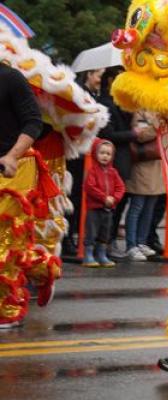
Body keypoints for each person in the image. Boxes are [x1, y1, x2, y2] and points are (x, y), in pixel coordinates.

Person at [0, 63, 50, 328]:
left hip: (13, 168)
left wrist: (12, 155)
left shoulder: (10, 78)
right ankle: (43, 271)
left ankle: (7, 310)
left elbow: (34, 121)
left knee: (5, 244)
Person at [97, 66, 142, 258]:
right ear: (110, 81)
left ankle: (111, 240)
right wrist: (133, 134)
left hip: (123, 161)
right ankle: (104, 243)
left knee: (119, 203)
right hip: (113, 159)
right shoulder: (106, 103)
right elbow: (108, 134)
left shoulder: (123, 104)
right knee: (109, 205)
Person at [63, 68, 105, 255]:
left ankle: (78, 236)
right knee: (72, 197)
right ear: (89, 74)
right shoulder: (77, 93)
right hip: (76, 154)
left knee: (83, 199)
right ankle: (66, 237)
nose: (100, 80)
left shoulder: (99, 95)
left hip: (91, 153)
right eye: (98, 76)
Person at [125, 111, 165, 261]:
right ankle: (131, 245)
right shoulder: (138, 112)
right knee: (137, 207)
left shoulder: (158, 111)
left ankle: (142, 242)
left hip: (155, 164)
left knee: (150, 207)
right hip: (142, 164)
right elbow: (140, 135)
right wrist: (157, 125)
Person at [82, 139, 125, 267]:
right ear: (96, 154)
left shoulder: (113, 172)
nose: (105, 156)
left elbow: (121, 187)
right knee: (91, 231)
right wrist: (104, 198)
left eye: (108, 154)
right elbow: (89, 186)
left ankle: (101, 254)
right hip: (94, 208)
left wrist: (114, 198)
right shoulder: (93, 171)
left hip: (108, 208)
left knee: (104, 232)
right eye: (102, 153)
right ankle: (88, 255)